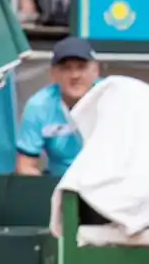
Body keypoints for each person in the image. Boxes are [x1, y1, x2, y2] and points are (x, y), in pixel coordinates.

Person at [16, 36, 98, 176]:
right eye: (66, 68)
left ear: (95, 71)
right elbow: (25, 165)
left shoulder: (113, 98)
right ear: (53, 74)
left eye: (81, 67)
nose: (75, 75)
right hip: (59, 184)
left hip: (107, 185)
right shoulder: (39, 106)